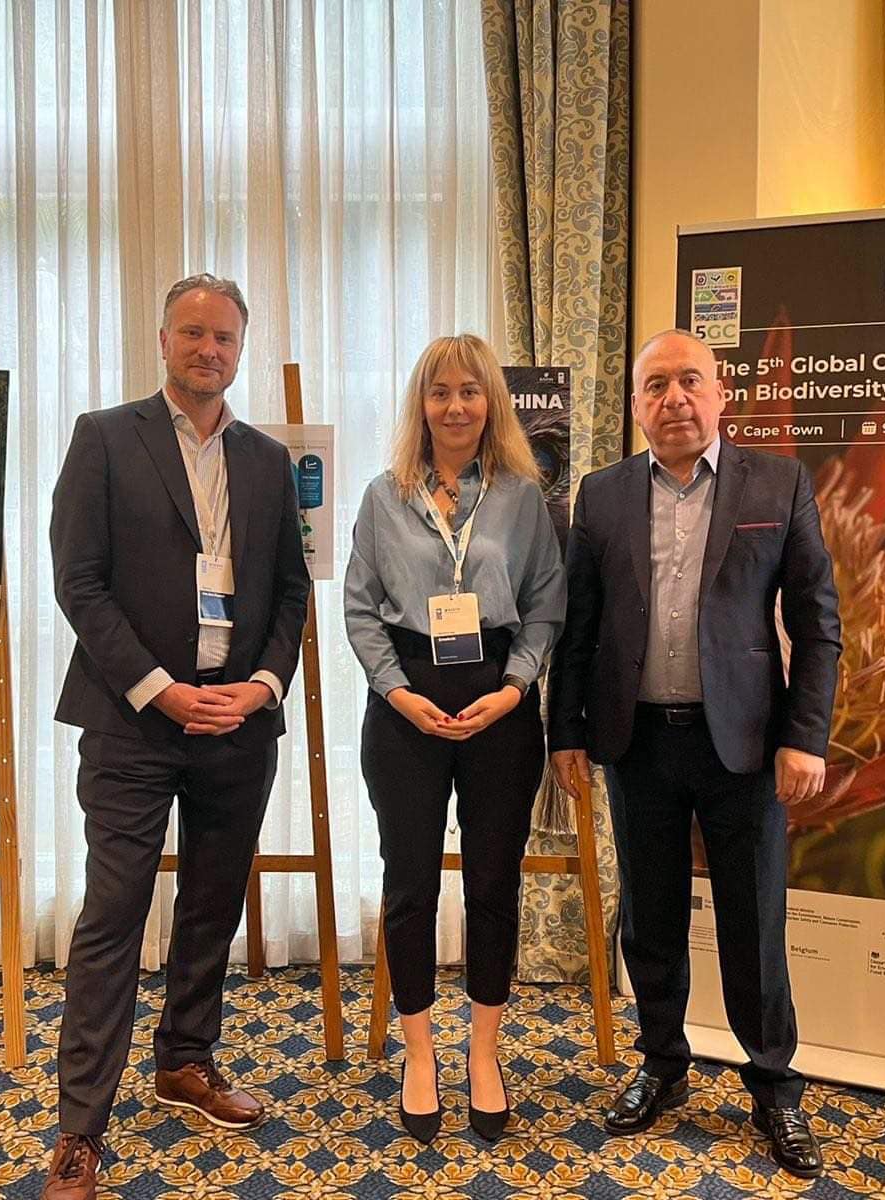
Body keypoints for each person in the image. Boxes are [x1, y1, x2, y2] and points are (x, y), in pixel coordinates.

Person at [41, 274, 311, 1199]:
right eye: (192, 333)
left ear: (240, 348)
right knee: (112, 915)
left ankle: (186, 1061)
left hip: (237, 723)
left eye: (224, 337)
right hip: (131, 722)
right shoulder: (105, 438)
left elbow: (290, 594)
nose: (208, 350)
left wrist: (261, 687)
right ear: (163, 340)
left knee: (211, 905)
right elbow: (78, 582)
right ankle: (81, 1129)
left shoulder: (268, 462)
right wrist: (160, 692)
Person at [547, 329, 841, 1179]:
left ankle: (775, 1087)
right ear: (636, 404)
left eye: (689, 381)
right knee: (651, 918)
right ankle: (662, 1065)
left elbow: (818, 622)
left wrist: (804, 736)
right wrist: (565, 731)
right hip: (636, 742)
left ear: (721, 394)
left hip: (743, 747)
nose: (673, 399)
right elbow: (578, 627)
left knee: (755, 923)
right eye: (655, 386)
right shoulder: (602, 496)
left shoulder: (777, 483)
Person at [344, 334, 565, 1145]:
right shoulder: (383, 497)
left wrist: (514, 689)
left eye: (471, 391)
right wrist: (397, 693)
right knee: (409, 883)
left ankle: (482, 1051)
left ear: (491, 403)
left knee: (492, 883)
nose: (456, 406)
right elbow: (360, 608)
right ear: (422, 405)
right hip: (405, 704)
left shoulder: (521, 498)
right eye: (440, 392)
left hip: (498, 704)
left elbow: (545, 603)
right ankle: (418, 1053)